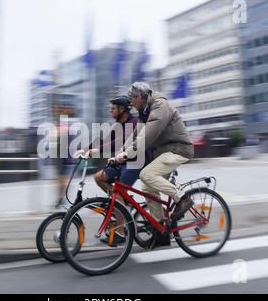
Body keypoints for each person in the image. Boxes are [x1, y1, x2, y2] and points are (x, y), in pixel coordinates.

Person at [114, 82, 195, 248]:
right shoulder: (145, 111)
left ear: (140, 97)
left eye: (132, 99)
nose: (131, 103)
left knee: (146, 174)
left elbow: (147, 136)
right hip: (164, 151)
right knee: (148, 186)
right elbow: (136, 135)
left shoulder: (159, 106)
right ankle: (160, 232)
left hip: (178, 149)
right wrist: (120, 153)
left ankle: (183, 198)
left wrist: (127, 154)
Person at [75, 96, 150, 246]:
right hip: (122, 162)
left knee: (117, 192)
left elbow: (119, 143)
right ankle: (121, 206)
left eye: (113, 108)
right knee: (99, 177)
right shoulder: (117, 125)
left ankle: (121, 232)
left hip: (137, 162)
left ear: (122, 110)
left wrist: (95, 151)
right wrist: (85, 149)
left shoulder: (134, 123)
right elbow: (104, 141)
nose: (110, 110)